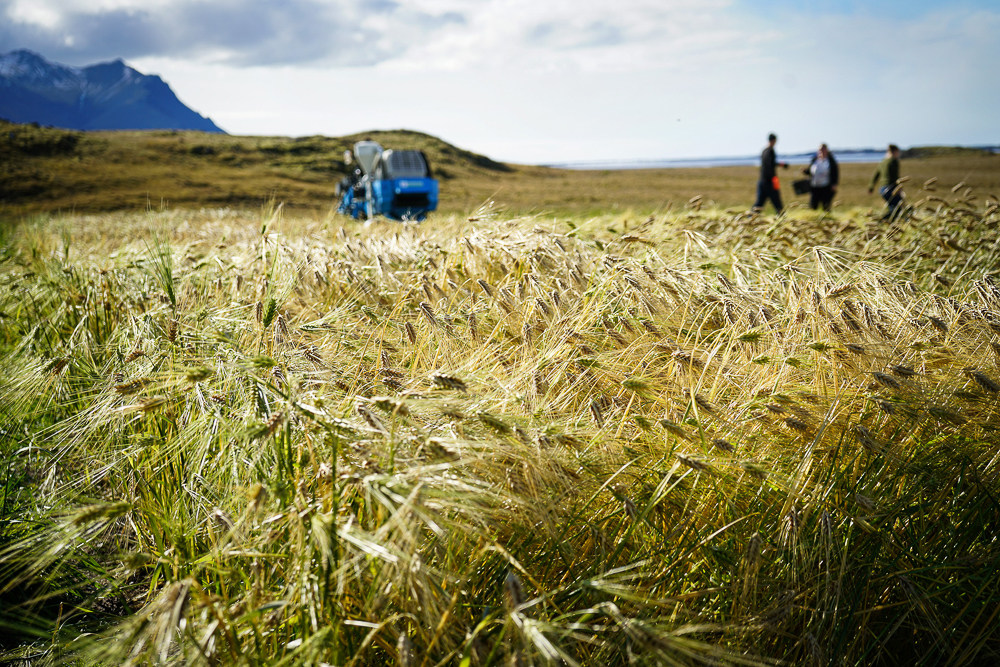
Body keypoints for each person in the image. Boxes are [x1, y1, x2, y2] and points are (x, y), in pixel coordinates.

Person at [753, 133, 789, 213]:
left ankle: (749, 218)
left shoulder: (764, 151)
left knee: (759, 203)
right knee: (778, 204)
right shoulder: (771, 151)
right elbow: (771, 164)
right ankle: (781, 219)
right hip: (770, 182)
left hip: (762, 180)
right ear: (773, 140)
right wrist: (781, 165)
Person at [868, 144, 903, 220]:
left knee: (892, 208)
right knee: (897, 210)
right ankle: (881, 221)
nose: (898, 154)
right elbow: (895, 177)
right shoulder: (894, 161)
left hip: (882, 189)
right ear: (895, 151)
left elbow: (876, 175)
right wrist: (899, 188)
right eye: (898, 152)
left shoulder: (883, 161)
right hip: (891, 188)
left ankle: (885, 223)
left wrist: (871, 187)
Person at [804, 143, 839, 211]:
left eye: (823, 149)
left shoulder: (831, 161)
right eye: (820, 150)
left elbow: (835, 173)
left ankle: (826, 219)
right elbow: (811, 171)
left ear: (827, 150)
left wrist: (834, 184)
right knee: (813, 205)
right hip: (815, 186)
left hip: (826, 186)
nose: (821, 151)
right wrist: (806, 171)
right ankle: (814, 218)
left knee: (826, 205)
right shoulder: (815, 160)